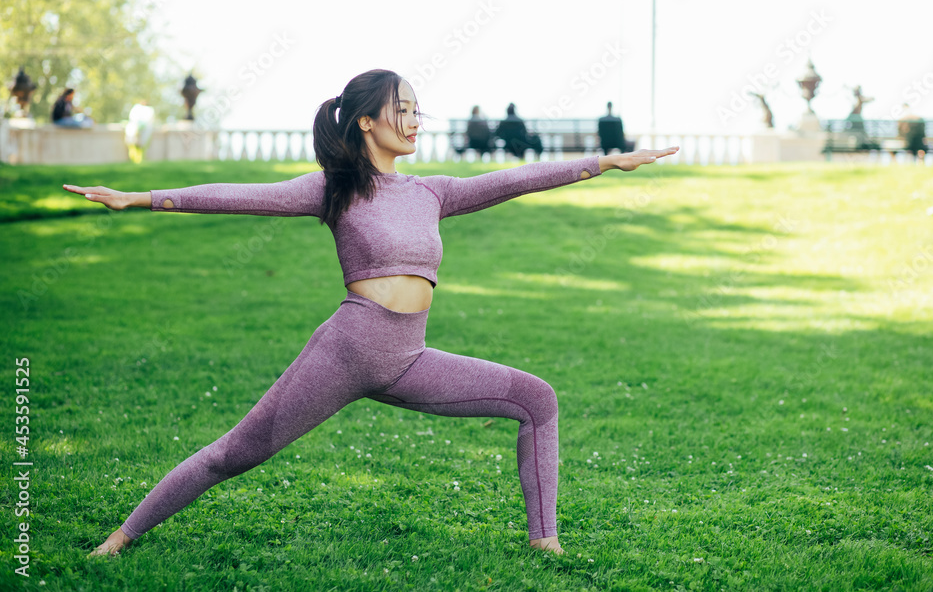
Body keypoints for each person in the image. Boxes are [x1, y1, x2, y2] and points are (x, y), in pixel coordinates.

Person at [66, 69, 678, 558]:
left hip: (407, 358)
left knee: (536, 400)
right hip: (346, 350)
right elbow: (241, 195)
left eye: (417, 109)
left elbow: (514, 179)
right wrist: (143, 198)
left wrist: (601, 163)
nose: (414, 120)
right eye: (401, 109)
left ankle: (545, 540)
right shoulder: (334, 186)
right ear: (366, 120)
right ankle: (120, 539)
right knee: (236, 453)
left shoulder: (430, 191)